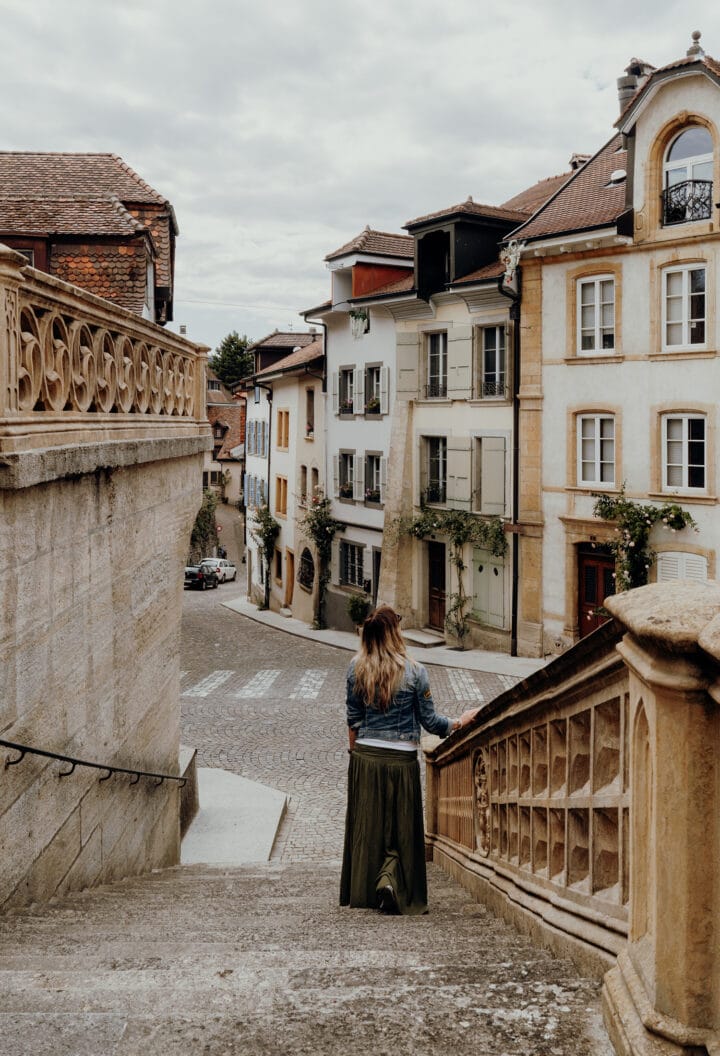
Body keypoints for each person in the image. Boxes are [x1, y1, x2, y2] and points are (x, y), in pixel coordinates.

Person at [340, 605, 479, 916]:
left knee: (371, 826)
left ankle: (369, 886)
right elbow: (431, 722)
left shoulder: (355, 669)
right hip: (402, 758)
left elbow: (353, 720)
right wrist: (461, 721)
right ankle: (393, 883)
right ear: (394, 633)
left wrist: (355, 757)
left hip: (366, 755)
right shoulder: (415, 672)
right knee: (402, 828)